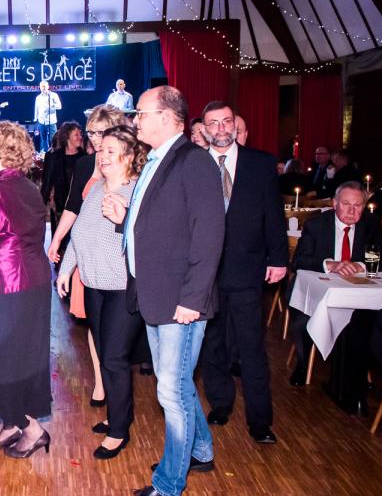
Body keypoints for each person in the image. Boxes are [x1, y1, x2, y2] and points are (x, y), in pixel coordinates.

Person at [101, 86, 224, 496]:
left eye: (141, 113)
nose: (135, 119)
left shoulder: (194, 161)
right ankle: (200, 450)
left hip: (180, 300)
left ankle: (169, 484)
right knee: (178, 384)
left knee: (170, 390)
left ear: (169, 117)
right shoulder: (157, 159)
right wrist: (124, 220)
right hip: (155, 294)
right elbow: (161, 225)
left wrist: (192, 299)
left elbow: (209, 235)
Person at [196, 101, 287, 445]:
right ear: (203, 129)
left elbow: (274, 215)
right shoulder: (194, 164)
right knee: (213, 344)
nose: (221, 129)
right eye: (213, 123)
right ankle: (220, 404)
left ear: (235, 125)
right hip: (205, 274)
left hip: (248, 271)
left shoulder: (260, 163)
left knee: (251, 347)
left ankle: (260, 421)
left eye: (226, 121)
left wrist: (279, 258)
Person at [58, 125, 147, 459]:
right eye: (101, 150)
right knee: (106, 356)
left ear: (129, 155)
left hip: (123, 288)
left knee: (113, 357)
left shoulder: (137, 191)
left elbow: (146, 241)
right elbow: (79, 234)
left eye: (111, 151)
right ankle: (116, 415)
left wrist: (123, 219)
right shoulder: (95, 190)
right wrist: (66, 270)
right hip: (94, 286)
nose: (103, 155)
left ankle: (119, 430)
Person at [0, 121, 52, 459]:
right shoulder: (28, 187)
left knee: (1, 360)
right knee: (24, 356)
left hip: (4, 284)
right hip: (34, 280)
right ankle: (12, 423)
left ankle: (31, 428)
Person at [288, 182, 382, 415]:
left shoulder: (370, 224)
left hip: (358, 294)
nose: (352, 211)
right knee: (302, 316)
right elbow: (299, 261)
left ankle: (356, 376)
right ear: (334, 204)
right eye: (346, 204)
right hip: (319, 288)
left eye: (358, 205)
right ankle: (303, 362)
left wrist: (361, 265)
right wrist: (329, 264)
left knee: (368, 321)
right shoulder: (316, 225)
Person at [34, 80, 62, 153]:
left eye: (44, 86)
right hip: (41, 121)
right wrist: (35, 118)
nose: (43, 88)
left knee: (54, 138)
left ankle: (55, 152)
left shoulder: (53, 95)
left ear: (48, 87)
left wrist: (51, 106)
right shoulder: (38, 97)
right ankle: (45, 153)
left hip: (51, 121)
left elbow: (59, 106)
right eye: (41, 86)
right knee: (43, 139)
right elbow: (36, 108)